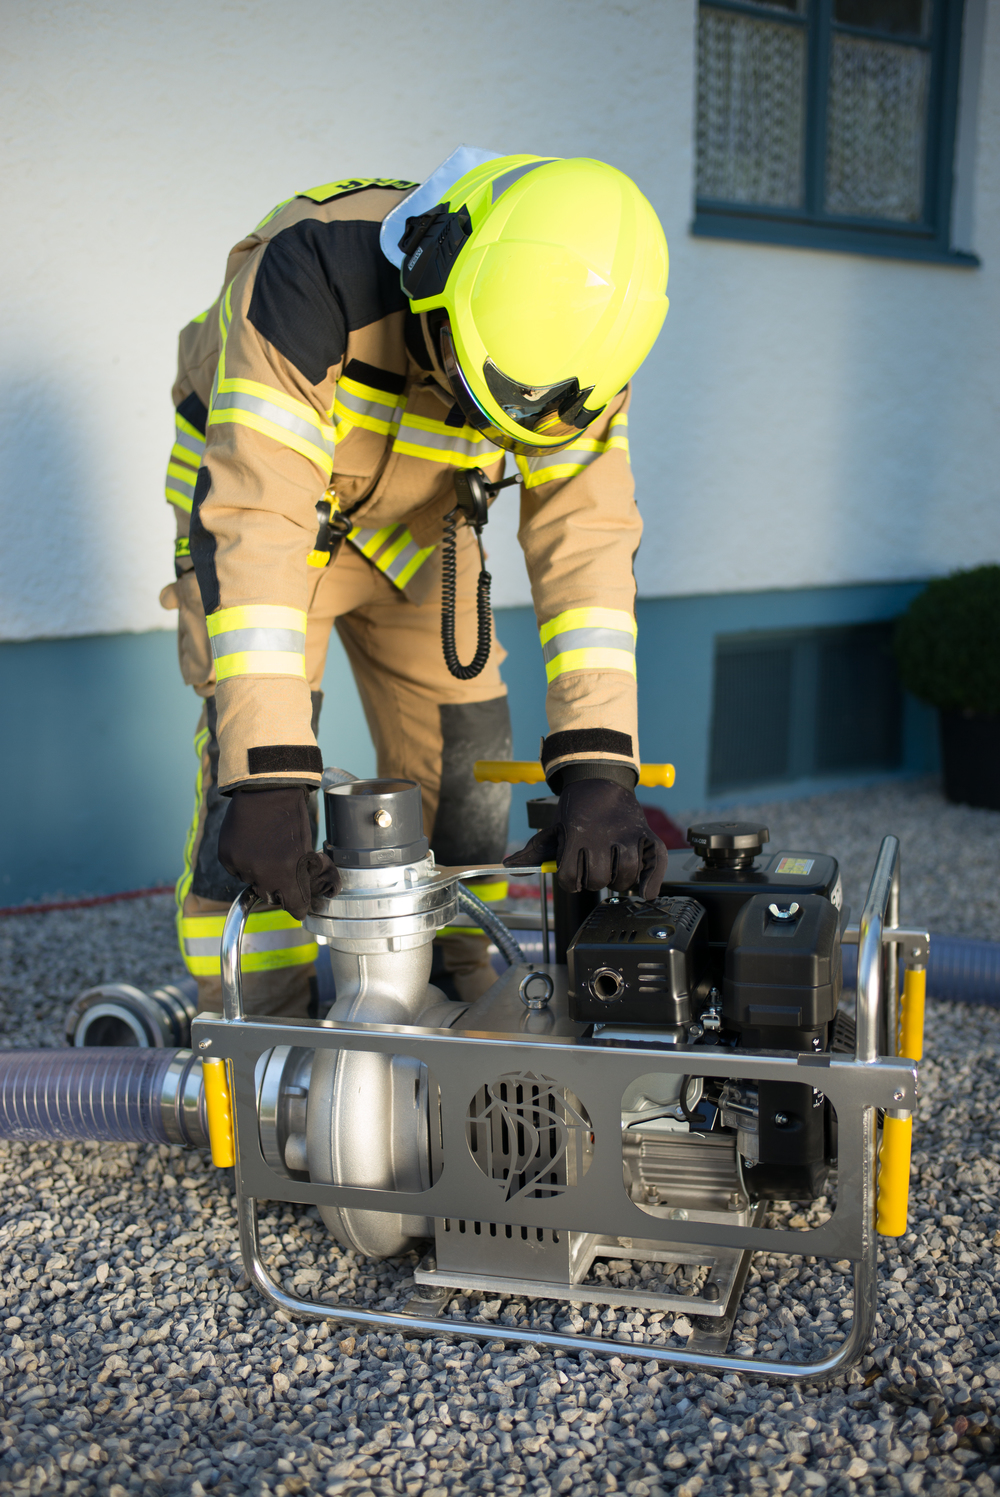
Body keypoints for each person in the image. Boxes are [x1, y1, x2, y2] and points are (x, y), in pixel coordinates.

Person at [159, 147, 670, 1018]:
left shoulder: (585, 352)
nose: (472, 423)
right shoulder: (312, 269)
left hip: (422, 527)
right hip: (272, 532)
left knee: (468, 761)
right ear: (434, 280)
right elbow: (257, 522)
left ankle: (459, 997)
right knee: (250, 805)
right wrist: (267, 774)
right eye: (465, 393)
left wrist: (599, 766)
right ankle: (255, 1030)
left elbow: (585, 549)